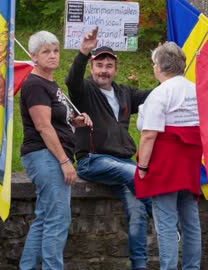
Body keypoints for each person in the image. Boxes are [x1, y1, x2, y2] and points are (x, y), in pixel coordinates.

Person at [65, 27, 152, 270]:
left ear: (116, 68)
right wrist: (83, 51)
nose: (104, 70)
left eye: (109, 65)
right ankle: (166, 218)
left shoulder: (125, 92)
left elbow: (155, 96)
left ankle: (140, 265)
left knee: (136, 212)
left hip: (123, 162)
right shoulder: (83, 90)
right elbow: (71, 79)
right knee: (134, 175)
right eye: (99, 65)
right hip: (93, 160)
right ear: (92, 68)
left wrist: (172, 80)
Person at [18, 31, 92, 270]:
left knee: (45, 218)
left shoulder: (49, 82)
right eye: (45, 52)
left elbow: (57, 121)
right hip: (45, 155)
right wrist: (63, 161)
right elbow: (43, 126)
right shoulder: (35, 84)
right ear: (34, 56)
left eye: (55, 50)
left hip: (49, 154)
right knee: (58, 220)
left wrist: (74, 121)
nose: (52, 55)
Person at [135, 42, 202, 270]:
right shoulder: (196, 90)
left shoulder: (160, 93)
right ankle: (192, 267)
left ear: (158, 67)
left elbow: (149, 135)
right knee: (190, 221)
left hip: (165, 164)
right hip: (190, 162)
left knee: (166, 224)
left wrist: (143, 167)